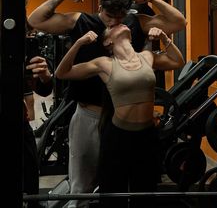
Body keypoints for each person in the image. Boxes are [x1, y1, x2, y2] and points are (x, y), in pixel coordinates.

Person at [28, 0, 187, 208]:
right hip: (90, 114)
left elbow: (179, 22)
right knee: (82, 185)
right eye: (111, 16)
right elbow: (35, 21)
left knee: (126, 184)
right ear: (100, 6)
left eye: (120, 16)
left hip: (123, 123)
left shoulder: (134, 23)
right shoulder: (80, 21)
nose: (115, 22)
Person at [55, 25, 185, 208]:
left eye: (123, 23)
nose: (121, 23)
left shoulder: (146, 57)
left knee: (145, 193)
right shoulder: (104, 63)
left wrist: (164, 37)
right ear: (108, 41)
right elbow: (62, 73)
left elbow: (178, 61)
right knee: (113, 194)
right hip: (118, 137)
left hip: (147, 136)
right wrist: (78, 43)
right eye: (112, 26)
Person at [23, 55, 53, 208]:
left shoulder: (15, 55)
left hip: (19, 124)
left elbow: (45, 90)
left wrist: (45, 77)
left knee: (30, 171)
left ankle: (33, 203)